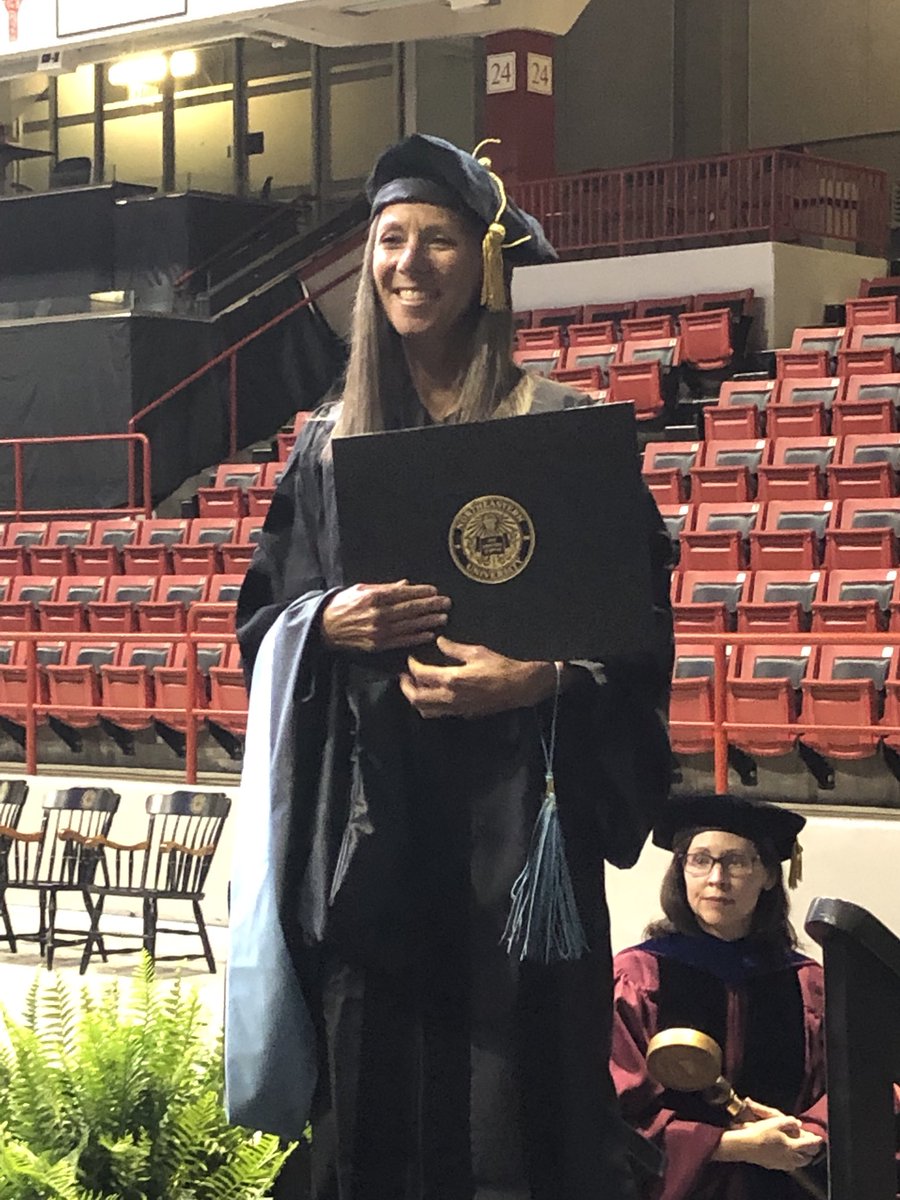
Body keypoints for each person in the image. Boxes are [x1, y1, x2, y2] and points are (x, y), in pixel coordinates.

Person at [225, 132, 673, 1200]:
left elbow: (637, 633)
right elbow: (260, 621)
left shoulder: (562, 436)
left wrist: (543, 679)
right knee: (371, 1099)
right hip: (373, 845)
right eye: (389, 240)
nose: (408, 262)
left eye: (437, 239)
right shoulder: (326, 447)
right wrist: (326, 619)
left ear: (486, 261)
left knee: (520, 1105)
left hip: (520, 843)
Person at [610, 793, 828, 1200]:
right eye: (700, 860)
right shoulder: (638, 976)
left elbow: (856, 1088)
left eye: (736, 861)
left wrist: (806, 1135)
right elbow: (615, 1111)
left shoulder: (808, 984)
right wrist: (728, 1146)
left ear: (767, 875)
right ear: (681, 871)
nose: (716, 878)